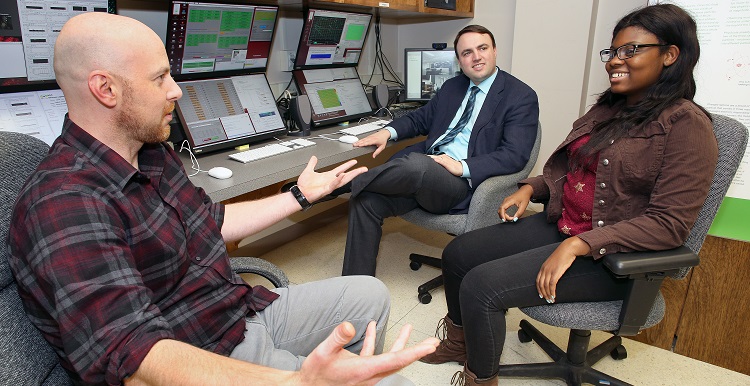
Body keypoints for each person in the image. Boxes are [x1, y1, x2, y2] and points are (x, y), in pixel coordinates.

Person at [7, 13, 438, 385]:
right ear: (106, 89)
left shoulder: (152, 155)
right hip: (201, 353)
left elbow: (210, 220)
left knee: (369, 294)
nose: (176, 91)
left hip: (236, 309)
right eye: (160, 78)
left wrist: (299, 196)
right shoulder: (64, 204)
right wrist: (295, 380)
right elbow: (136, 360)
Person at [419, 4, 719, 385]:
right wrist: (531, 187)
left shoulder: (687, 126)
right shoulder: (610, 108)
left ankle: (481, 379)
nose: (615, 61)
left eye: (632, 50)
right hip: (569, 225)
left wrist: (578, 246)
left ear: (670, 54)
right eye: (613, 52)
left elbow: (669, 225)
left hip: (613, 255)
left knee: (482, 286)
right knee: (458, 254)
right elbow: (579, 174)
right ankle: (462, 343)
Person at [341, 25, 539, 276]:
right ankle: (357, 290)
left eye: (482, 48)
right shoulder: (452, 87)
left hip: (460, 184)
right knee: (365, 201)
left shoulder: (520, 96)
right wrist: (387, 132)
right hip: (422, 175)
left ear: (495, 51)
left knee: (419, 164)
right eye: (467, 52)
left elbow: (515, 154)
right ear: (460, 60)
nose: (476, 57)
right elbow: (420, 119)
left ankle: (341, 184)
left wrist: (462, 167)